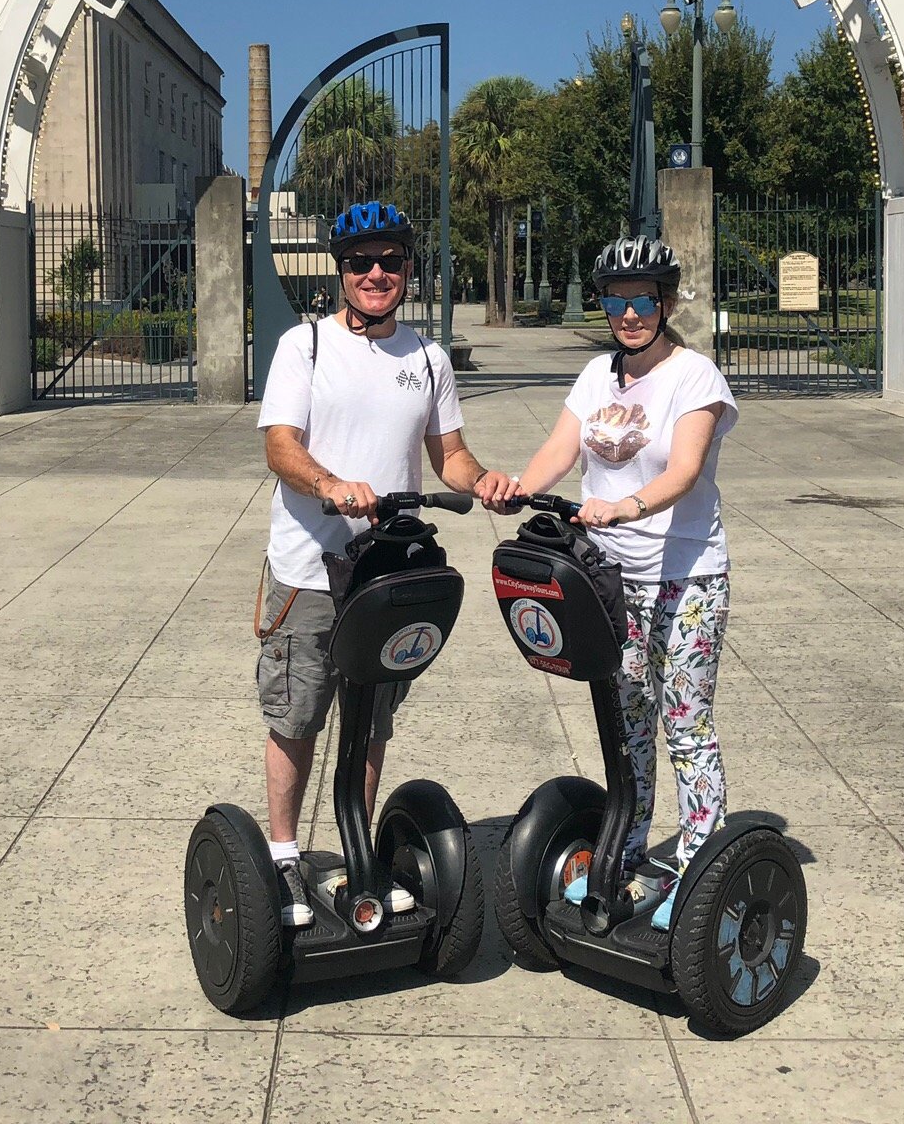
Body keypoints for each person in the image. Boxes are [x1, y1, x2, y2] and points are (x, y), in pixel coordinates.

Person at [256, 200, 515, 927]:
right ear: (341, 271)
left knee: (371, 722)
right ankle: (282, 855)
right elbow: (280, 445)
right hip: (311, 566)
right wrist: (330, 485)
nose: (376, 274)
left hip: (388, 572)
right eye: (361, 262)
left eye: (390, 262)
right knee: (297, 713)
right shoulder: (304, 347)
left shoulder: (427, 359)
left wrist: (484, 480)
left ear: (408, 270)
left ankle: (353, 850)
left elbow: (450, 455)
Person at [504, 234, 738, 930]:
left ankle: (702, 868)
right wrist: (518, 487)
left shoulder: (694, 377)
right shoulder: (597, 376)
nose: (628, 314)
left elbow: (684, 469)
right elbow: (560, 448)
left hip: (685, 576)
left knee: (685, 724)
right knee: (628, 722)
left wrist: (624, 506)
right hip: (612, 579)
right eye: (615, 301)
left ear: (665, 303)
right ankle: (629, 850)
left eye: (642, 301)